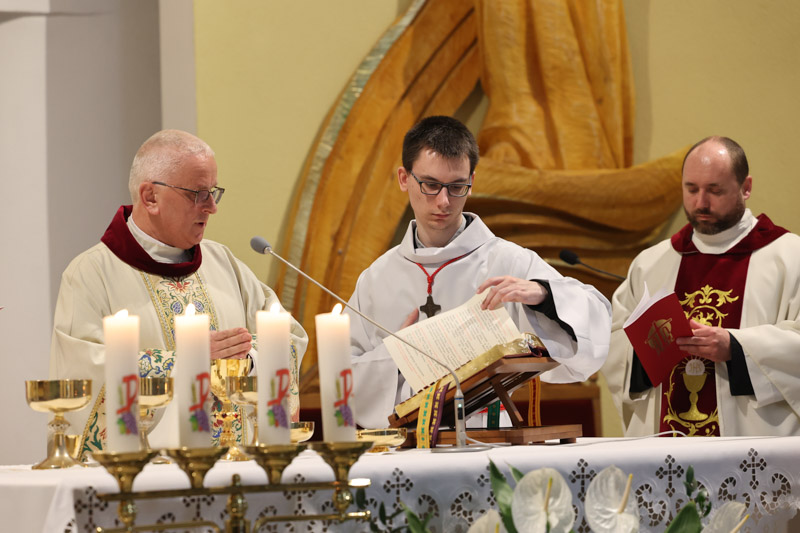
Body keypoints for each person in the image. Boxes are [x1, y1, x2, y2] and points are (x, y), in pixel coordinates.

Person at [50, 130, 308, 456]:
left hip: (238, 467)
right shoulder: (91, 274)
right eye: (198, 194)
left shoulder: (225, 264)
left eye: (213, 193)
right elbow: (84, 376)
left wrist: (247, 360)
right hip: (146, 473)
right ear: (150, 197)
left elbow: (288, 337)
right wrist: (185, 362)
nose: (211, 207)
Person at [347, 116, 612, 429]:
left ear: (471, 182)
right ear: (404, 179)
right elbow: (344, 383)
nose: (444, 201)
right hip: (404, 442)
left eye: (457, 187)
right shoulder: (376, 279)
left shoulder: (508, 262)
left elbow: (596, 319)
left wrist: (544, 295)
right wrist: (397, 353)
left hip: (488, 438)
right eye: (430, 185)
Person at [603, 136, 800, 437]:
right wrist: (648, 351)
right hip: (665, 446)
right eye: (691, 189)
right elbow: (614, 346)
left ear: (746, 187)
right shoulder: (651, 263)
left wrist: (736, 348)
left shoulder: (789, 257)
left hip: (753, 446)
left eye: (715, 190)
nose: (701, 203)